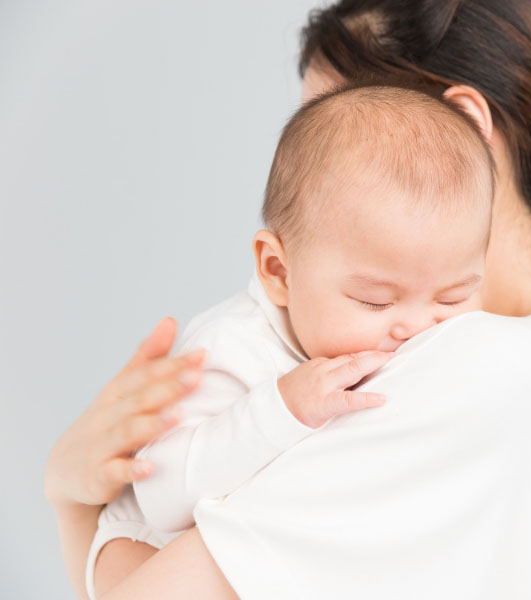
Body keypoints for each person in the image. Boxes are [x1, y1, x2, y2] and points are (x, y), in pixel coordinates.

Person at [45, 1, 531, 598]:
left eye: (341, 129)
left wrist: (76, 504)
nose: (316, 178)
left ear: (464, 127)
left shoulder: (488, 369)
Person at [81, 81, 496, 598]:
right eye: (375, 301)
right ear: (278, 270)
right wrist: (282, 408)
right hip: (143, 551)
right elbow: (161, 496)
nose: (415, 327)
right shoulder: (229, 346)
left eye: (452, 298)